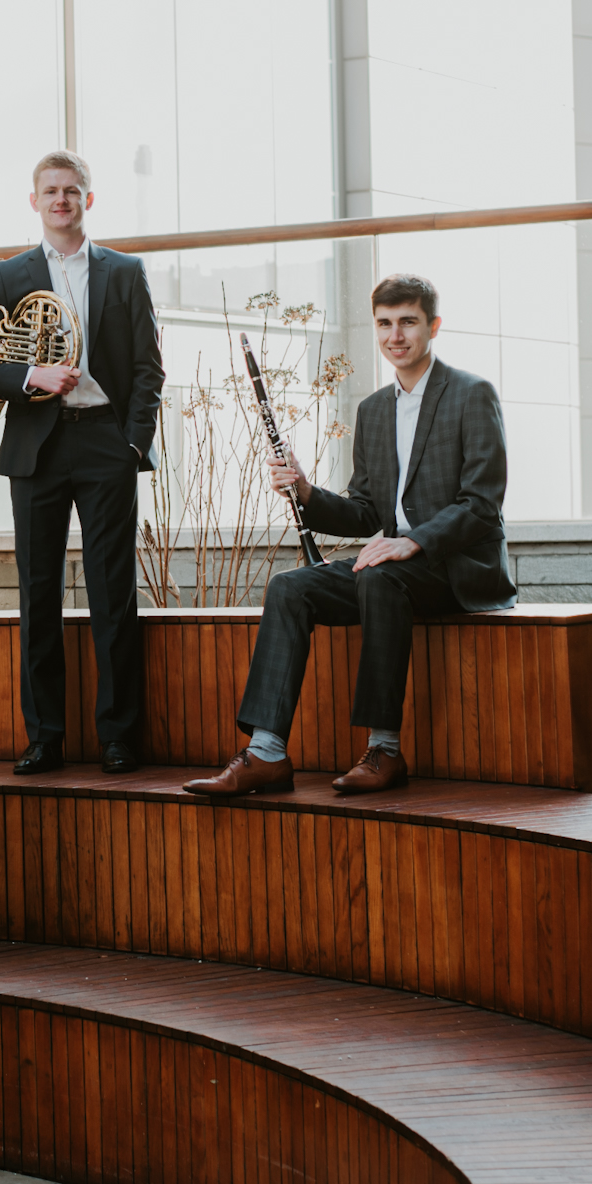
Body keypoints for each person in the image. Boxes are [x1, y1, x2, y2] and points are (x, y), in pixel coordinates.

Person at [183, 274, 514, 799]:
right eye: (384, 323)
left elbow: (482, 504)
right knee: (290, 587)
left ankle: (384, 750)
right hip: (396, 570)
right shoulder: (374, 410)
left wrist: (413, 542)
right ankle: (266, 753)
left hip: (457, 569)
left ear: (433, 326)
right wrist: (306, 491)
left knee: (380, 578)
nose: (395, 335)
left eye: (408, 322)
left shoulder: (473, 394)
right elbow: (365, 513)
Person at [0, 150, 162, 776]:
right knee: (38, 592)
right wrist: (30, 375)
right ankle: (44, 737)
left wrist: (132, 444)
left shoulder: (125, 271)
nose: (61, 200)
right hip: (37, 445)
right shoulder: (11, 274)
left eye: (71, 191)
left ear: (87, 199)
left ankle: (118, 737)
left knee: (113, 592)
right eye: (50, 191)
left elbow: (148, 368)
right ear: (35, 201)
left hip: (105, 442)